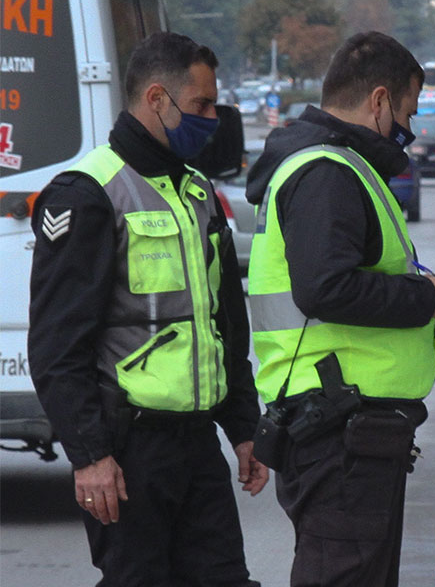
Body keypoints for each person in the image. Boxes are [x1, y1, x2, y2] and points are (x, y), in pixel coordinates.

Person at [28, 32, 266, 587]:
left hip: (197, 445)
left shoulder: (199, 193)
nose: (212, 117)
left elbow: (222, 323)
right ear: (158, 99)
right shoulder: (89, 193)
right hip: (129, 452)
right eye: (202, 105)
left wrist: (243, 428)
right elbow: (57, 347)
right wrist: (89, 456)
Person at [245, 31, 435, 587]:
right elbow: (326, 289)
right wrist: (425, 299)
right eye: (407, 113)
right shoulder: (327, 173)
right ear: (379, 101)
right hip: (335, 426)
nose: (408, 131)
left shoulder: (338, 167)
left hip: (346, 424)